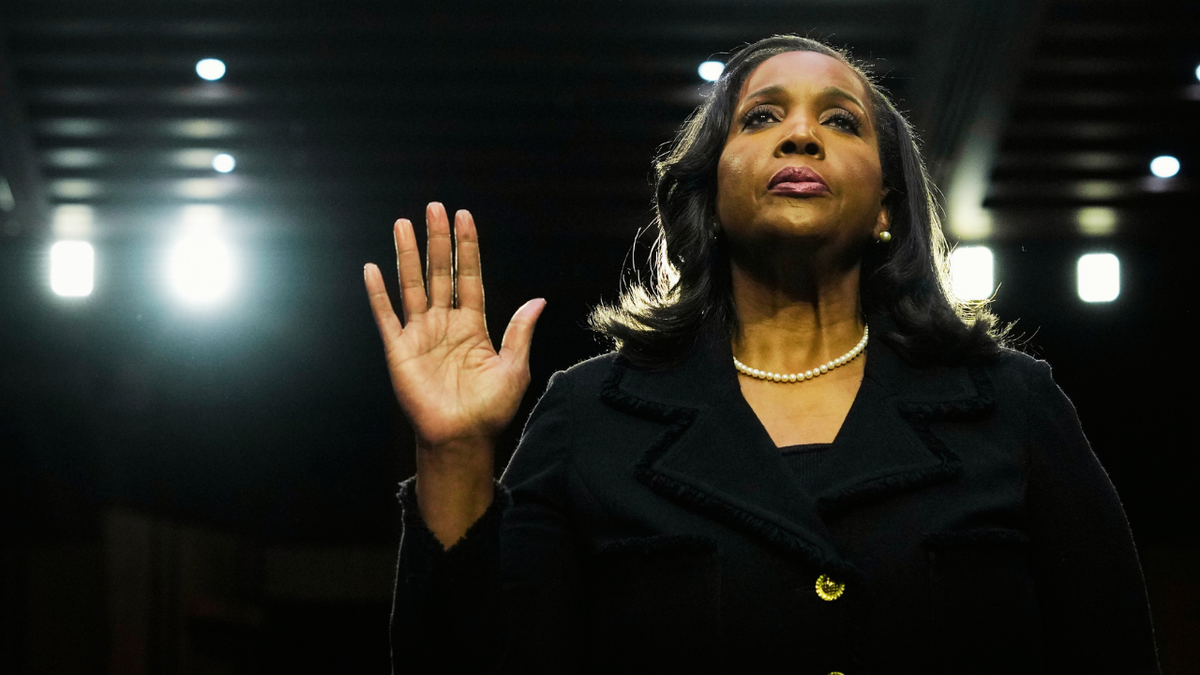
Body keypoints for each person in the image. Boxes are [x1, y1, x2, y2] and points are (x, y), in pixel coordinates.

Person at [363, 35, 1161, 674]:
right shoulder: (590, 415)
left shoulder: (1011, 404)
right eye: (761, 117)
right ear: (710, 194)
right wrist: (457, 451)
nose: (803, 133)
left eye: (842, 121)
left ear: (888, 209)